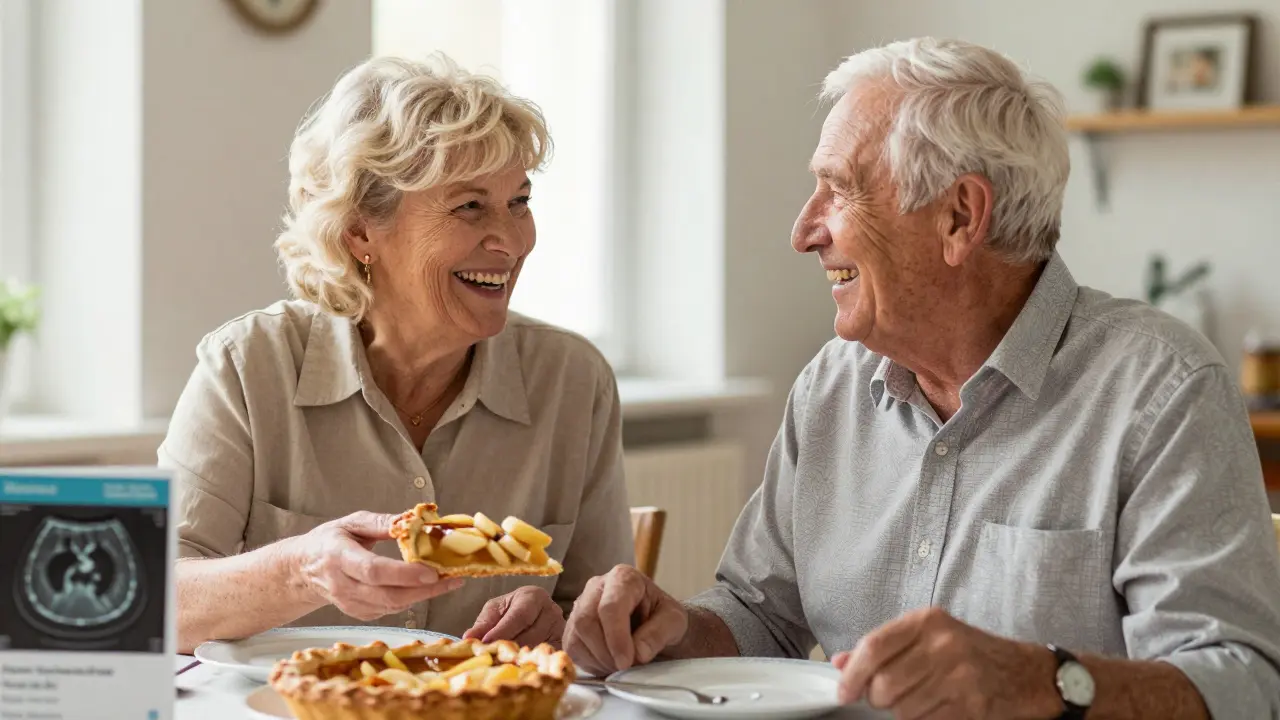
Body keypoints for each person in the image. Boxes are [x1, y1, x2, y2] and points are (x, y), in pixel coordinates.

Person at [564, 38, 1280, 719]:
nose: (803, 230)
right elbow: (757, 616)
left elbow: (1241, 686)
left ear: (961, 217)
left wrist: (1042, 681)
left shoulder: (1161, 391)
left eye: (838, 190)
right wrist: (666, 628)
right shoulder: (831, 387)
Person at [162, 55, 634, 654]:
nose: (512, 241)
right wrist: (301, 569)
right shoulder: (247, 366)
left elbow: (601, 618)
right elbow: (156, 600)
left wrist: (561, 624)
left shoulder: (573, 380)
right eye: (470, 206)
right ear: (361, 232)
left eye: (519, 201)